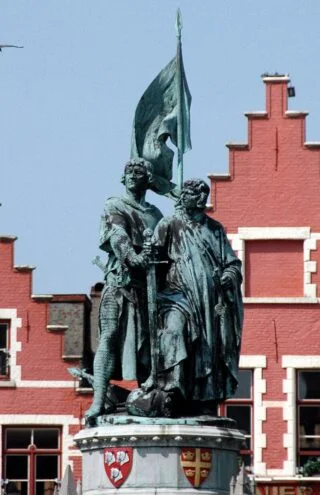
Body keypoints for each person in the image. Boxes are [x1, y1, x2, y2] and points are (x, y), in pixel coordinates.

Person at [151, 178, 243, 414]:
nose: (202, 198)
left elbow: (232, 263)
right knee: (173, 330)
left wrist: (228, 276)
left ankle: (205, 400)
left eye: (205, 194)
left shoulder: (215, 229)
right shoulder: (169, 224)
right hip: (176, 296)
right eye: (196, 194)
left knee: (208, 347)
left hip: (209, 300)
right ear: (184, 197)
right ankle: (171, 390)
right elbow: (153, 263)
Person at [85, 158, 163, 422]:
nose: (132, 175)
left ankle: (147, 399)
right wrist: (135, 258)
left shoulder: (156, 215)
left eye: (138, 172)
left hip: (147, 290)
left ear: (148, 179)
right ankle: (97, 402)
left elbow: (166, 251)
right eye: (129, 171)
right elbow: (117, 236)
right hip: (119, 282)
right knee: (108, 337)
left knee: (147, 346)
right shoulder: (114, 205)